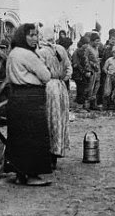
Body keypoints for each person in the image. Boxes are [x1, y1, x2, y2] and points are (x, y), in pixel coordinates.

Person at [5, 23, 53, 186]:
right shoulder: (28, 55)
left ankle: (20, 174)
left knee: (19, 136)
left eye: (36, 35)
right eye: (31, 35)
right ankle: (33, 176)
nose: (34, 38)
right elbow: (46, 76)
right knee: (34, 136)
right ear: (22, 36)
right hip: (32, 97)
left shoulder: (12, 53)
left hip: (16, 96)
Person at [37, 36, 73, 168]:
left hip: (48, 87)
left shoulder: (41, 52)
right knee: (59, 119)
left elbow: (38, 72)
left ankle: (47, 155)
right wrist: (64, 77)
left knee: (49, 120)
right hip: (60, 86)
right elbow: (69, 68)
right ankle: (56, 154)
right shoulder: (61, 49)